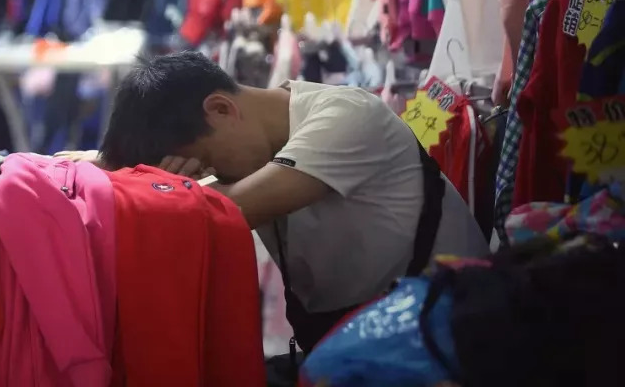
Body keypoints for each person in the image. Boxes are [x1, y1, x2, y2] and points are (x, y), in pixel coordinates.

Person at [99, 51, 488, 359]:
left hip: (451, 341)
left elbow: (221, 214)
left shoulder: (344, 117)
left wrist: (166, 188)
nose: (207, 174)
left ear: (221, 109)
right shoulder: (259, 145)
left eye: (206, 162)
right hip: (381, 340)